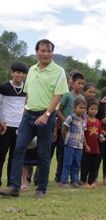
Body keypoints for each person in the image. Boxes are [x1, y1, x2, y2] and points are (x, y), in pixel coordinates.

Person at [0, 39, 69, 199]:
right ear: (37, 52)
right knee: (18, 149)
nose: (46, 54)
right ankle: (14, 187)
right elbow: (28, 95)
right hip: (28, 116)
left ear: (52, 53)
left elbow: (58, 95)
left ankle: (41, 189)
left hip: (46, 116)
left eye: (49, 51)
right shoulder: (31, 69)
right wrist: (24, 115)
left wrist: (46, 115)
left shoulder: (58, 71)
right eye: (43, 50)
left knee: (43, 153)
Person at [0, 61, 28, 187]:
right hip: (5, 127)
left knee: (15, 157)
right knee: (1, 155)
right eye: (18, 72)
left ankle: (12, 184)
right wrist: (1, 121)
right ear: (12, 73)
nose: (20, 75)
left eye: (23, 73)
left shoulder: (27, 89)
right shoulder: (3, 87)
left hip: (21, 127)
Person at [54, 71, 85, 182]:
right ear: (72, 84)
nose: (81, 86)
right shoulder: (67, 95)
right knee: (63, 155)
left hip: (77, 131)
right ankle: (59, 178)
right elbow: (58, 111)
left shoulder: (82, 97)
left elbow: (83, 114)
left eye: (82, 84)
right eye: (79, 83)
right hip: (66, 129)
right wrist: (66, 121)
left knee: (75, 157)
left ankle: (74, 179)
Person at [59, 98, 88, 188]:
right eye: (80, 107)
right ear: (74, 108)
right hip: (70, 145)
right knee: (67, 163)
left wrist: (85, 145)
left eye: (84, 108)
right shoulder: (70, 118)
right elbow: (64, 130)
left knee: (76, 163)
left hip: (79, 146)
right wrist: (65, 141)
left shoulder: (84, 119)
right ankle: (63, 181)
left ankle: (74, 181)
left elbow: (83, 133)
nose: (82, 110)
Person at [80, 99, 105, 188]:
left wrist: (102, 137)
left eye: (96, 109)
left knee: (94, 165)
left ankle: (92, 181)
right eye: (92, 109)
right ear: (87, 109)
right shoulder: (84, 120)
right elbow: (82, 133)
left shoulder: (98, 121)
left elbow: (100, 133)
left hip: (96, 147)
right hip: (86, 147)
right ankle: (83, 181)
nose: (94, 111)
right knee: (85, 165)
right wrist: (85, 145)